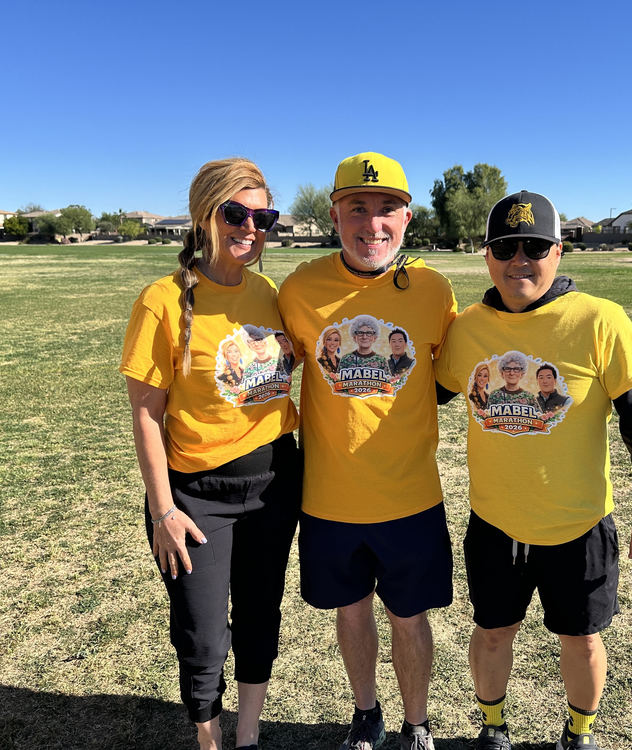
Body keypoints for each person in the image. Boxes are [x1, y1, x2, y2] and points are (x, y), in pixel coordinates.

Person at [435, 190, 632, 750]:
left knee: (583, 639)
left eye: (535, 247)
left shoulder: (599, 320)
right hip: (495, 521)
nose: (521, 259)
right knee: (492, 633)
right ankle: (493, 727)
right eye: (506, 247)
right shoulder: (468, 328)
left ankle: (579, 733)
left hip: (580, 522)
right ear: (487, 256)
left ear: (558, 253)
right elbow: (419, 396)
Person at [121, 158, 302, 750]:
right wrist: (163, 511)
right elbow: (147, 414)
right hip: (196, 497)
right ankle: (210, 739)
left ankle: (246, 735)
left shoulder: (271, 294)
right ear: (205, 215)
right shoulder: (162, 300)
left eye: (264, 217)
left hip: (275, 483)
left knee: (259, 617)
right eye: (236, 213)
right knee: (202, 634)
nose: (251, 227)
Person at [278, 152, 457, 750]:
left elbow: (458, 372)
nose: (372, 224)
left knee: (410, 617)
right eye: (358, 208)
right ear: (334, 215)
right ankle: (366, 714)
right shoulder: (300, 288)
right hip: (328, 497)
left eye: (387, 209)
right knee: (350, 613)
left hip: (411, 495)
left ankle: (417, 724)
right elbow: (268, 373)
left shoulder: (433, 288)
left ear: (408, 218)